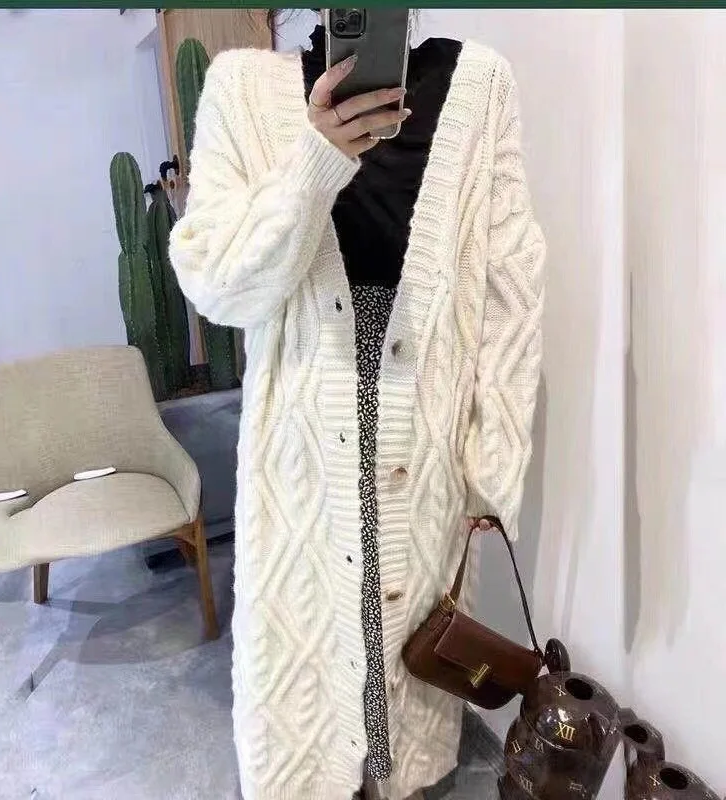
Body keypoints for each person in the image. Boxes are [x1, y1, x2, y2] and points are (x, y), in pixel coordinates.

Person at [169, 15, 545, 800]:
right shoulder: (241, 87)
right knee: (313, 658)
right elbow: (214, 282)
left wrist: (493, 462)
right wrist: (314, 159)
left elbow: (511, 284)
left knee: (404, 654)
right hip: (303, 437)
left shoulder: (482, 84)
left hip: (427, 433)